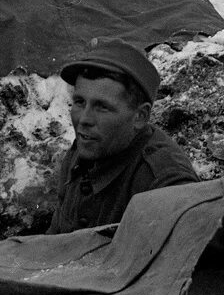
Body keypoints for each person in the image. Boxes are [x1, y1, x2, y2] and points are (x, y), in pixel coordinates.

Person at [46, 38, 198, 234]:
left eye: (102, 107)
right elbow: (54, 237)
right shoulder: (84, 150)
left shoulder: (163, 183)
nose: (84, 119)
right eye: (79, 102)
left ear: (140, 116)